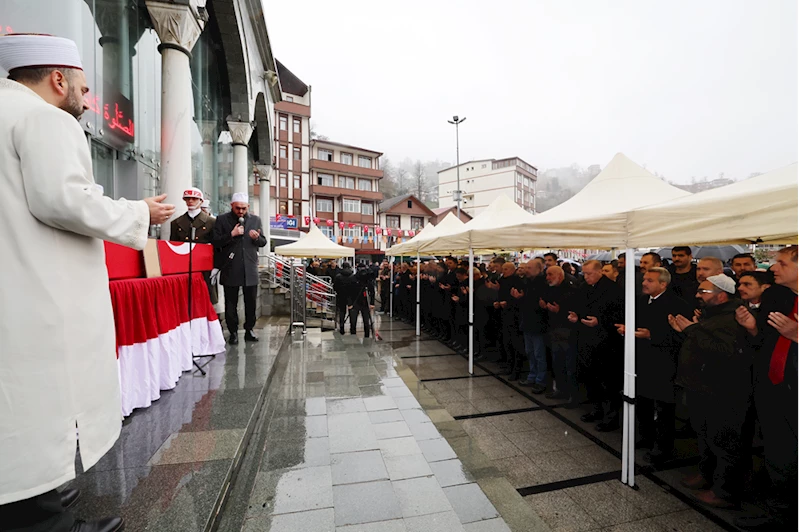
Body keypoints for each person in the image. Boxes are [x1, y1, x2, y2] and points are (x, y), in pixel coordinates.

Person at [0, 33, 175, 532]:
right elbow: (67, 200)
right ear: (58, 80)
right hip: (38, 298)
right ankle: (44, 519)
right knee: (40, 406)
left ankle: (37, 497)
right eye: (81, 83)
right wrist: (138, 210)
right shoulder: (44, 119)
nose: (85, 95)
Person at [670, 274, 749, 508]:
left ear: (721, 295)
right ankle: (706, 474)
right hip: (700, 386)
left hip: (719, 390)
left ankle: (724, 491)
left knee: (722, 441)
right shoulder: (713, 315)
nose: (697, 295)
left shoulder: (731, 318)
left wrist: (693, 330)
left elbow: (725, 351)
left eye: (703, 292)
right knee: (704, 436)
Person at [734, 245, 798, 530]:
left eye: (781, 263)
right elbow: (764, 342)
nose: (773, 268)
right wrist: (752, 328)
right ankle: (778, 512)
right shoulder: (779, 297)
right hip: (773, 390)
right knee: (779, 455)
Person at [616, 267, 691, 465]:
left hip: (664, 362)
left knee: (664, 407)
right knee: (643, 401)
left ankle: (663, 447)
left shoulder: (677, 304)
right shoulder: (641, 300)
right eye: (644, 279)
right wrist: (627, 329)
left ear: (663, 284)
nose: (644, 283)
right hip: (642, 359)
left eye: (649, 280)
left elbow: (682, 336)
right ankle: (646, 436)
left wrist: (652, 335)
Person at [567, 260, 624, 431]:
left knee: (609, 382)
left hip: (607, 342)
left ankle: (612, 417)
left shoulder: (614, 289)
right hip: (586, 339)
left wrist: (601, 321)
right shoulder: (584, 287)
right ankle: (596, 409)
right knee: (591, 379)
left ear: (600, 272)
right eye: (584, 273)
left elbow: (621, 313)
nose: (586, 277)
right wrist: (576, 317)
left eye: (589, 273)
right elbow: (577, 306)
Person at [212, 193, 266, 345]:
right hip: (230, 267)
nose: (241, 211)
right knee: (231, 303)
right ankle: (233, 332)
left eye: (243, 208)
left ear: (248, 207)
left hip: (250, 268)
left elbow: (263, 242)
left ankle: (249, 329)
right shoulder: (222, 220)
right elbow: (215, 242)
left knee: (251, 303)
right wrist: (231, 234)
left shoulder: (255, 220)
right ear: (232, 206)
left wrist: (256, 238)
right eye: (237, 208)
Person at [350, 263, 376, 337]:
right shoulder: (354, 278)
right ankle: (353, 334)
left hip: (365, 302)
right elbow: (349, 291)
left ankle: (367, 334)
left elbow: (372, 291)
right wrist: (350, 303)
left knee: (366, 320)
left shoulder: (367, 279)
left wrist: (372, 303)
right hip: (355, 301)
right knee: (353, 320)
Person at [333, 262, 356, 334]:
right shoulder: (353, 276)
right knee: (352, 312)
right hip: (351, 296)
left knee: (342, 312)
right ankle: (352, 328)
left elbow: (335, 287)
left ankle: (342, 327)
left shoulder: (338, 276)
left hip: (341, 296)